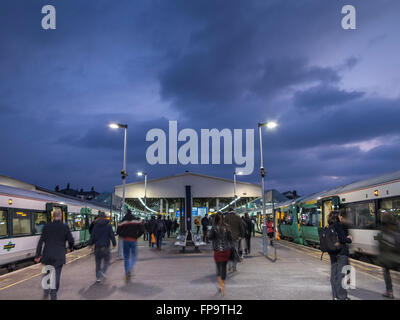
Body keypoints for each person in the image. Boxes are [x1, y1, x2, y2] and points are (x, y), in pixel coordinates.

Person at [34, 208, 74, 300]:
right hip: (59, 256)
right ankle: (53, 294)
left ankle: (46, 291)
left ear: (53, 216)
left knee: (47, 272)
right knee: (56, 275)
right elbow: (71, 240)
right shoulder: (65, 227)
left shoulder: (46, 226)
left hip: (47, 255)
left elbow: (40, 242)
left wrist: (37, 255)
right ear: (61, 216)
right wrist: (70, 248)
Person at [327, 210, 352, 300]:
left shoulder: (329, 226)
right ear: (337, 217)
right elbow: (342, 239)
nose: (341, 217)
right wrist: (349, 239)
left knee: (334, 274)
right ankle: (342, 296)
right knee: (341, 275)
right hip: (341, 253)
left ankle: (335, 296)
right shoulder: (338, 225)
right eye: (340, 216)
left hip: (332, 253)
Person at [208, 212, 233, 296]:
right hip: (226, 250)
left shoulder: (214, 228)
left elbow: (210, 237)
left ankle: (221, 286)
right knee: (224, 268)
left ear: (215, 219)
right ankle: (223, 287)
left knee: (219, 268)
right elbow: (231, 238)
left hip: (217, 251)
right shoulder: (227, 227)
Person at [377, 210, 400, 299]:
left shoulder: (382, 229)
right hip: (397, 255)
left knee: (386, 273)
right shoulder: (397, 228)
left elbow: (378, 240)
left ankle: (389, 291)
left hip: (386, 256)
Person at [116, 210, 145, 281]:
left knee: (126, 257)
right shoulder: (136, 220)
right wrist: (137, 236)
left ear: (126, 213)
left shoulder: (123, 221)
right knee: (134, 256)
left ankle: (127, 272)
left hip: (125, 240)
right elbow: (142, 230)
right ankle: (130, 268)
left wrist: (124, 235)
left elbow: (118, 232)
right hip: (134, 240)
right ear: (132, 213)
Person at [88, 212, 116, 282]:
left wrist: (90, 244)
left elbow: (92, 236)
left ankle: (98, 278)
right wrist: (114, 243)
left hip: (97, 247)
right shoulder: (108, 225)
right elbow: (112, 235)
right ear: (105, 217)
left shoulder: (95, 226)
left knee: (98, 263)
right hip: (105, 246)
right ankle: (102, 271)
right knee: (107, 261)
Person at [224, 207, 245, 272]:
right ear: (233, 210)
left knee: (228, 251)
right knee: (235, 251)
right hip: (236, 237)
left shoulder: (226, 217)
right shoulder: (238, 217)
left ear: (228, 210)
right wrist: (242, 235)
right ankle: (234, 267)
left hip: (227, 237)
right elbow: (241, 227)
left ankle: (229, 266)